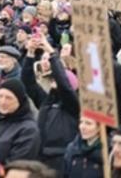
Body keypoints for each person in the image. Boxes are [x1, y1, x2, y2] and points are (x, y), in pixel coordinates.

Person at [22, 37, 79, 170]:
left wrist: (51, 52)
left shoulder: (73, 105)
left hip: (61, 158)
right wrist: (30, 53)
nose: (54, 81)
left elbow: (64, 86)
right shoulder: (46, 101)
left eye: (56, 79)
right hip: (41, 156)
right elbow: (28, 82)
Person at [0, 78, 40, 163]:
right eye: (0, 96)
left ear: (19, 101)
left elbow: (17, 164)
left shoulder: (28, 130)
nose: (3, 102)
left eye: (9, 98)